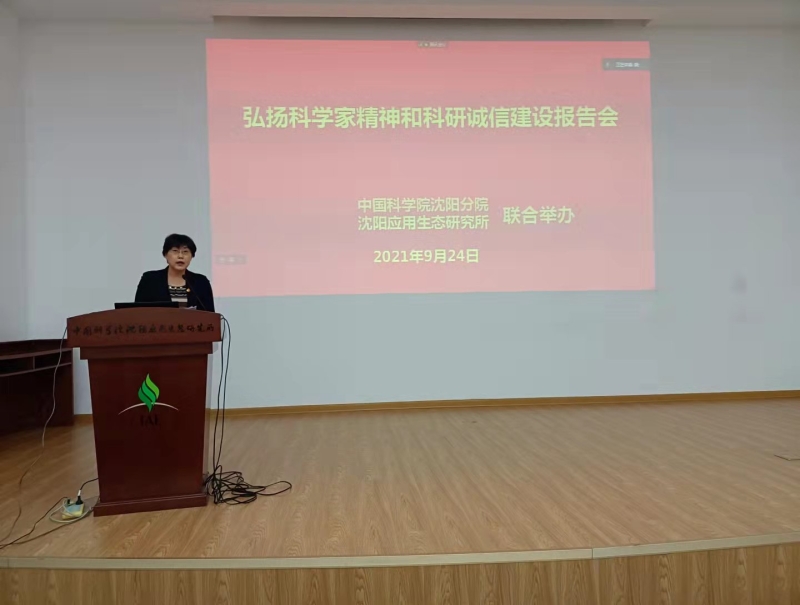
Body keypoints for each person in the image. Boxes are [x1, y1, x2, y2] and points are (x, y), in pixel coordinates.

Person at [135, 234, 215, 312]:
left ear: (192, 256)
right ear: (165, 254)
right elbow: (137, 312)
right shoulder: (150, 280)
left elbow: (210, 315)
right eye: (175, 251)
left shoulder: (201, 282)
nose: (180, 256)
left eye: (185, 252)